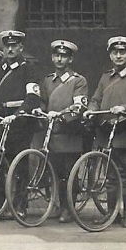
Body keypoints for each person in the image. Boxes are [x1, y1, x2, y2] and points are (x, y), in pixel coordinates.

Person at [88, 36, 126, 227]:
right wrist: (91, 109)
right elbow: (96, 98)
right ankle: (111, 213)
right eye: (115, 52)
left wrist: (125, 108)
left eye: (123, 52)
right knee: (110, 174)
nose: (119, 55)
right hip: (107, 130)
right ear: (110, 55)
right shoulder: (106, 77)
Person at [38, 39, 88, 223]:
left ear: (70, 59)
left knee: (69, 173)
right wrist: (40, 110)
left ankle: (69, 208)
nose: (59, 59)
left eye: (63, 56)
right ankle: (58, 205)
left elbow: (79, 106)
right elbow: (43, 101)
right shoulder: (47, 80)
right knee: (55, 172)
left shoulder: (78, 81)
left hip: (69, 133)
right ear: (52, 57)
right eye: (56, 55)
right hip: (52, 133)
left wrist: (63, 115)